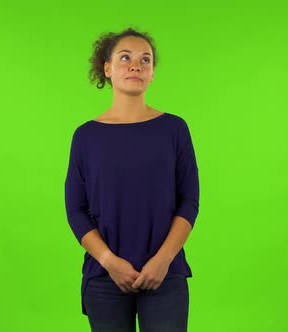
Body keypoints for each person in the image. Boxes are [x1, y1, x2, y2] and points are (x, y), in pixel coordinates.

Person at [64, 27, 200, 332]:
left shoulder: (174, 130)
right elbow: (76, 210)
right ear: (108, 69)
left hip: (166, 274)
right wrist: (110, 261)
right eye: (125, 58)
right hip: (104, 276)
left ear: (152, 73)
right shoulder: (86, 136)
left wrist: (163, 260)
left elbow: (189, 202)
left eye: (145, 60)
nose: (135, 65)